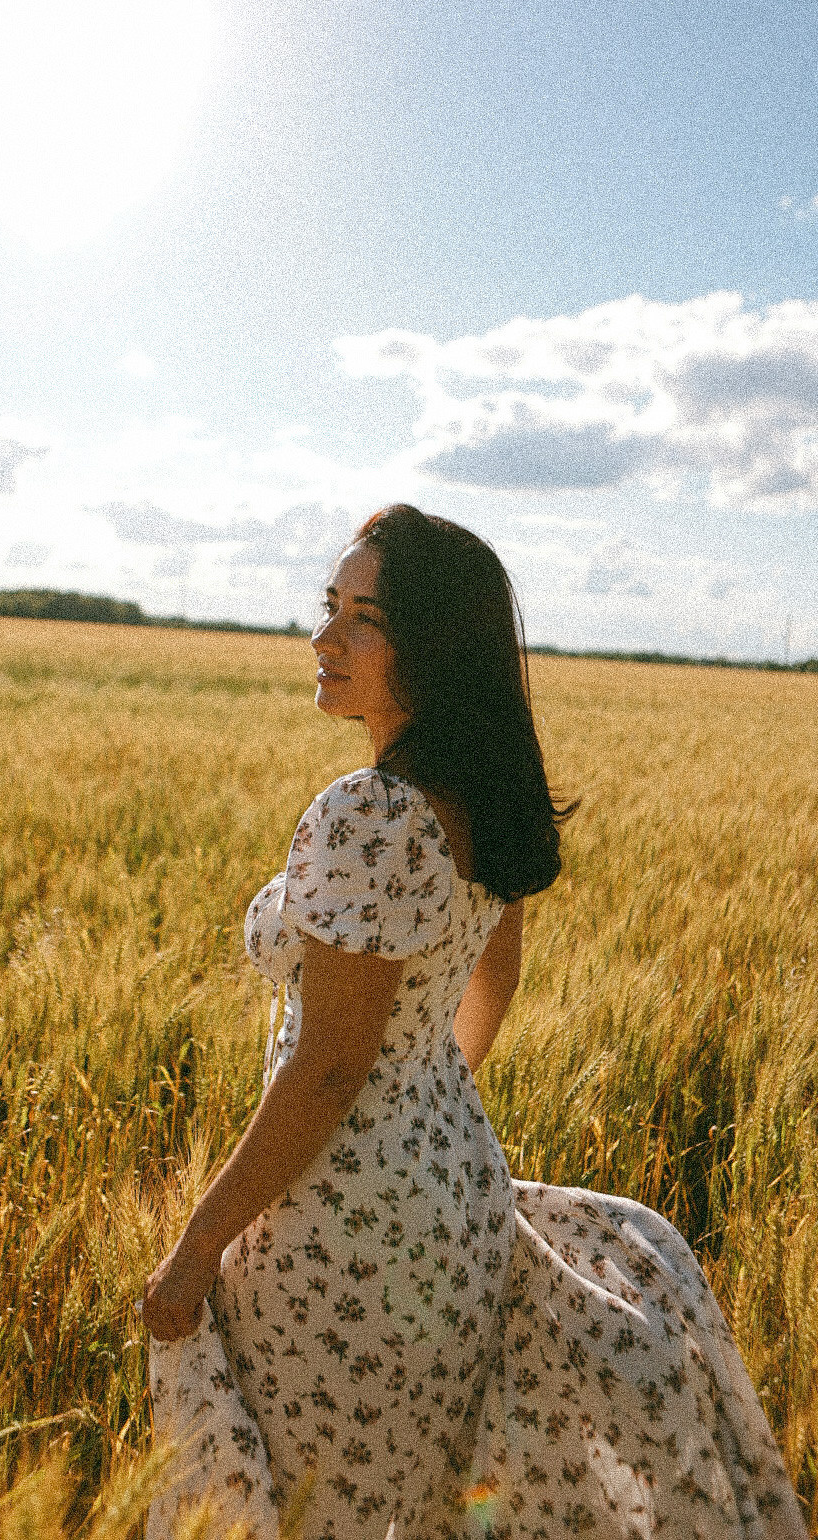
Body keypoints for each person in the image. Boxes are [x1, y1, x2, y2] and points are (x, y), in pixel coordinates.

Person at [142, 504, 803, 1540]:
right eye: (330, 608)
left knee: (321, 1511)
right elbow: (493, 974)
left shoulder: (368, 809)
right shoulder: (476, 793)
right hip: (454, 1196)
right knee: (403, 1499)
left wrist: (193, 1249)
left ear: (431, 648)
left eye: (365, 619)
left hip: (340, 1228)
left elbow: (326, 1072)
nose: (324, 640)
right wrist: (421, 1104)